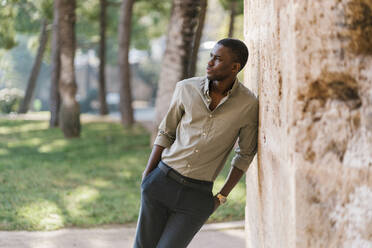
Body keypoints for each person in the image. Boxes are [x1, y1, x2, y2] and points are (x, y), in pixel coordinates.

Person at [133, 38, 258, 248]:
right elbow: (166, 132)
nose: (209, 63)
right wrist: (148, 176)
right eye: (211, 57)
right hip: (162, 181)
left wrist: (221, 197)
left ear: (235, 67)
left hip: (197, 197)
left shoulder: (248, 104)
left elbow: (245, 154)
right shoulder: (186, 88)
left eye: (217, 59)